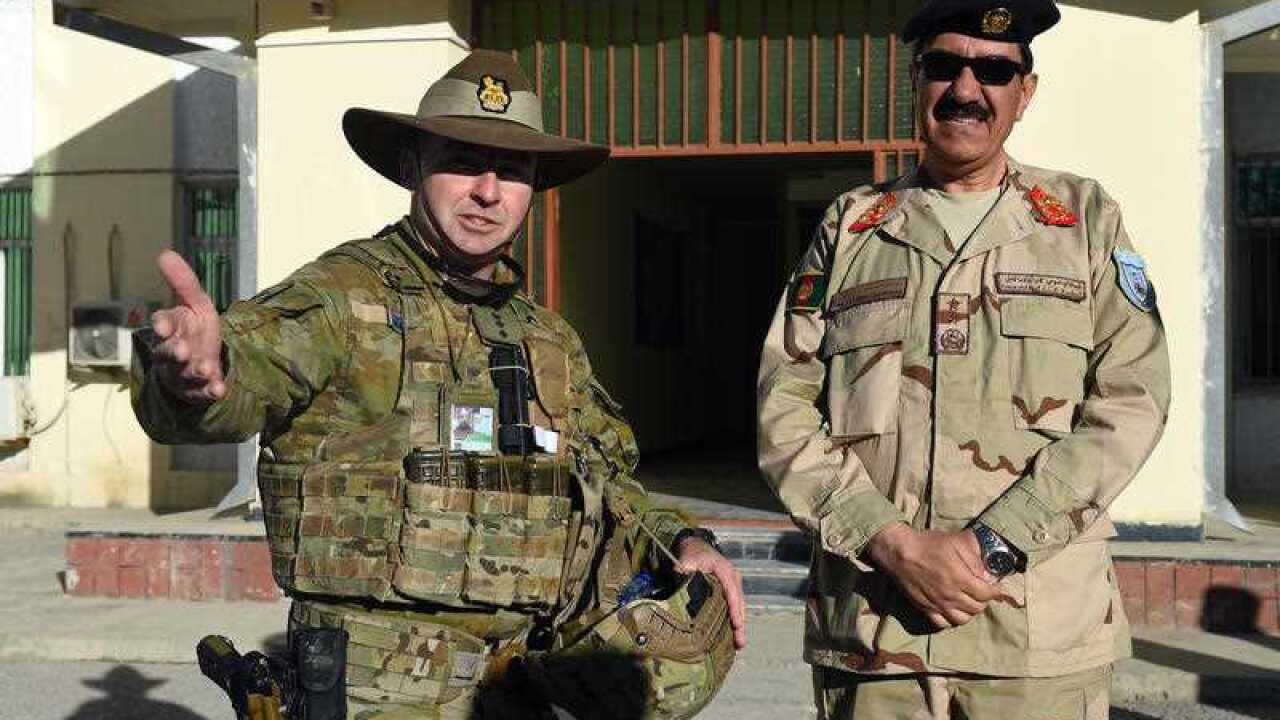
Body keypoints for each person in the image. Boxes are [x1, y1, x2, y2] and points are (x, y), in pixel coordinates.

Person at [132, 49, 745, 719]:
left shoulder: (548, 339)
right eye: (462, 160)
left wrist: (688, 542)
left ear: (533, 187)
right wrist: (197, 375)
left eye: (512, 170)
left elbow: (611, 485)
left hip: (518, 690)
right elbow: (243, 375)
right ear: (411, 167)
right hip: (370, 695)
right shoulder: (344, 299)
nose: (488, 190)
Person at [756, 1, 1170, 717]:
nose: (967, 90)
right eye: (945, 67)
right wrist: (886, 540)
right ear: (917, 82)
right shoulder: (852, 227)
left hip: (1036, 637)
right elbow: (783, 403)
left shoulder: (1082, 220)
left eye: (995, 70)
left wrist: (996, 547)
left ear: (1025, 92)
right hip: (874, 627)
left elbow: (1133, 399)